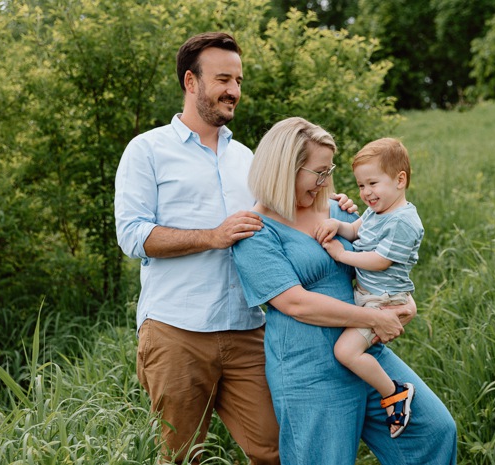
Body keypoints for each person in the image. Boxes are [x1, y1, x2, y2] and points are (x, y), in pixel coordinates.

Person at [115, 32, 355, 464]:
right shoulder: (147, 150)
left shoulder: (248, 158)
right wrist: (214, 235)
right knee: (181, 456)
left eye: (239, 80)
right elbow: (133, 235)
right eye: (223, 78)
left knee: (276, 449)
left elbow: (290, 213)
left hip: (248, 329)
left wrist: (331, 204)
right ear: (191, 82)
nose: (234, 91)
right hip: (176, 331)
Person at [232, 117, 457, 464]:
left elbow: (384, 261)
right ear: (285, 168)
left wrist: (401, 302)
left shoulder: (339, 210)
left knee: (433, 432)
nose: (325, 181)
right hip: (308, 368)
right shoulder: (256, 232)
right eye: (318, 172)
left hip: (364, 352)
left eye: (328, 171)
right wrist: (374, 318)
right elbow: (295, 303)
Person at [314, 137, 423, 439]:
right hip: (369, 297)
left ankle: (394, 393)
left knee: (346, 351)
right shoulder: (377, 212)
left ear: (400, 180)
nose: (366, 193)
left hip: (383, 302)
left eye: (373, 183)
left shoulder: (403, 221)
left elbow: (380, 261)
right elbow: (354, 231)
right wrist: (338, 227)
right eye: (361, 186)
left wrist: (342, 254)